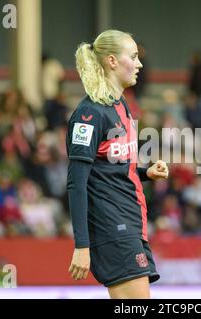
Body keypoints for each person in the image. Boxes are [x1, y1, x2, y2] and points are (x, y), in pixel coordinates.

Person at [66, 30, 169, 299]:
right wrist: (81, 246)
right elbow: (76, 183)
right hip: (113, 228)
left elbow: (112, 167)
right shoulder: (88, 115)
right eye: (133, 57)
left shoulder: (120, 105)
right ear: (112, 61)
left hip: (130, 224)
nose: (140, 64)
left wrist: (146, 173)